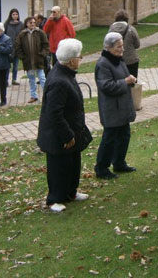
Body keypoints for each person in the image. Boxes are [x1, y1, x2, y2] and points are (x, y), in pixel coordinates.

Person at [37, 38, 92, 213]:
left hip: (73, 129)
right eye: (79, 56)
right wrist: (67, 135)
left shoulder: (66, 73)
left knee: (73, 163)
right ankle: (55, 199)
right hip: (59, 134)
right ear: (71, 60)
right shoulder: (59, 80)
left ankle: (71, 192)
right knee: (58, 166)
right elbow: (54, 113)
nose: (80, 59)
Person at [94, 32, 137, 180]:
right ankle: (101, 168)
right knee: (109, 139)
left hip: (123, 107)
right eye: (119, 46)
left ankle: (119, 163)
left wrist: (130, 80)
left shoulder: (118, 60)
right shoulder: (103, 64)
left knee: (124, 136)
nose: (122, 49)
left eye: (122, 46)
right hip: (111, 108)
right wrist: (125, 81)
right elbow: (106, 86)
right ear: (108, 47)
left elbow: (124, 78)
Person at [15, 16, 49, 103]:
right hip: (28, 62)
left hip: (39, 61)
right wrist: (22, 56)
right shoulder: (22, 34)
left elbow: (46, 45)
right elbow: (18, 46)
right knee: (31, 79)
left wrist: (42, 54)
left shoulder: (40, 32)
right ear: (26, 24)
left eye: (34, 22)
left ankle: (47, 95)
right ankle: (33, 96)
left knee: (42, 78)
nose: (32, 24)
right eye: (30, 23)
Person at [108, 9, 141, 78]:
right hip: (131, 61)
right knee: (132, 84)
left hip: (115, 61)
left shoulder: (111, 30)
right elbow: (137, 45)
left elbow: (108, 46)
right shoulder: (131, 29)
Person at [4, 8, 24, 85]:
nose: (15, 16)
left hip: (17, 47)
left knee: (15, 66)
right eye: (13, 14)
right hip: (8, 47)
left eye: (16, 14)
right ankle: (5, 80)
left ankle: (14, 79)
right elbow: (4, 34)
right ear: (11, 15)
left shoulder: (21, 24)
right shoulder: (7, 24)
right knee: (7, 66)